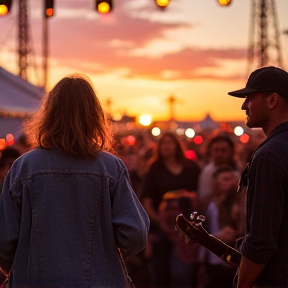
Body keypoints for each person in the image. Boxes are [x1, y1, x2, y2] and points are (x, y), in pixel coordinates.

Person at [0, 74, 150, 288]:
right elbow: (135, 236)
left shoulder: (23, 168)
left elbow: (4, 240)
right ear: (94, 116)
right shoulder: (110, 168)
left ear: (49, 115)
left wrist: (19, 268)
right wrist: (104, 256)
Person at [228, 66, 288, 288]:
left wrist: (241, 284)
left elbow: (261, 241)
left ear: (272, 100)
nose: (244, 106)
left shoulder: (268, 156)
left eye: (249, 98)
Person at [142, 131, 201, 288]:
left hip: (186, 229)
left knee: (182, 274)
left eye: (169, 142)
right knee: (160, 273)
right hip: (161, 228)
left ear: (177, 145)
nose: (166, 146)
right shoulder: (154, 168)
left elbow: (199, 196)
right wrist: (160, 220)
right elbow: (147, 200)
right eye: (163, 143)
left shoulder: (191, 167)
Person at [197, 166, 240, 288]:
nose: (232, 182)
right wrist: (217, 236)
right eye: (226, 179)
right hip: (213, 260)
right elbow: (200, 230)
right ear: (216, 183)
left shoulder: (241, 203)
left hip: (234, 260)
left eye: (233, 179)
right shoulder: (207, 204)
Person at [197, 135, 240, 211]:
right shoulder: (207, 171)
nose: (219, 154)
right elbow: (203, 198)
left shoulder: (238, 169)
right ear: (210, 151)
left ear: (231, 151)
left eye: (223, 150)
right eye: (216, 150)